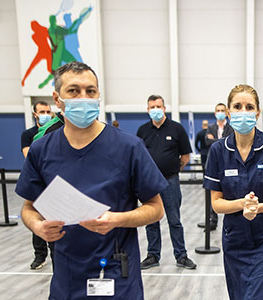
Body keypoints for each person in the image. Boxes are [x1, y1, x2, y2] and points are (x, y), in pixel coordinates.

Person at [16, 62, 167, 299]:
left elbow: (156, 209)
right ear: (58, 99)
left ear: (98, 96)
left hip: (117, 272)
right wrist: (37, 226)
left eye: (91, 91)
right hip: (67, 275)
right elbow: (28, 208)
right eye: (74, 91)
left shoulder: (128, 147)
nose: (83, 97)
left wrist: (117, 220)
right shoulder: (41, 150)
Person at [203, 84, 263, 300]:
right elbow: (216, 204)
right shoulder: (218, 151)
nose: (243, 111)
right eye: (237, 106)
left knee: (261, 294)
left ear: (258, 112)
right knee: (239, 295)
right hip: (235, 238)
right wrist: (242, 204)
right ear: (228, 112)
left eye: (249, 106)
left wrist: (258, 208)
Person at [137, 95, 197, 270]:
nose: (155, 109)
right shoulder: (142, 131)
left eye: (158, 106)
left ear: (164, 108)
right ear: (148, 110)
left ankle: (181, 255)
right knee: (151, 221)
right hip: (149, 183)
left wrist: (174, 168)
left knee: (174, 220)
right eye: (152, 107)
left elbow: (185, 156)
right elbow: (139, 156)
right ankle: (152, 255)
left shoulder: (176, 129)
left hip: (170, 181)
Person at [20, 101, 55, 270]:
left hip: (54, 183)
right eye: (42, 111)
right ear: (35, 114)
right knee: (38, 218)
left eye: (48, 111)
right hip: (38, 181)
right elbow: (30, 156)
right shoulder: (29, 135)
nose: (46, 114)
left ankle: (55, 254)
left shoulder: (56, 131)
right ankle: (39, 255)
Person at [204, 103, 234, 229]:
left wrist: (215, 141)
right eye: (218, 110)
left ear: (226, 112)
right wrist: (222, 141)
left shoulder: (231, 128)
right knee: (213, 193)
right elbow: (207, 142)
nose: (220, 112)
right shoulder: (210, 127)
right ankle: (212, 220)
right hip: (213, 163)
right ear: (215, 113)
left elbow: (231, 142)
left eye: (222, 110)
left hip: (229, 163)